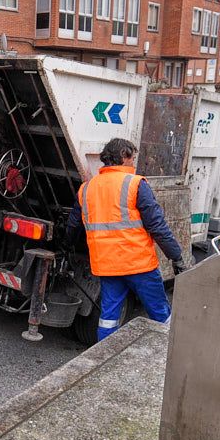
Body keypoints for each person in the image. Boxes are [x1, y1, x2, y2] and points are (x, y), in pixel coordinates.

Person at [67, 138, 186, 341]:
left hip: (107, 266)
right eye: (132, 158)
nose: (133, 163)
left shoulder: (86, 188)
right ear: (123, 156)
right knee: (161, 315)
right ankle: (168, 356)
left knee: (108, 319)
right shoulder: (135, 184)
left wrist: (67, 246)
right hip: (138, 265)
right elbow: (157, 225)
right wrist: (176, 256)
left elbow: (73, 226)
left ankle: (103, 359)